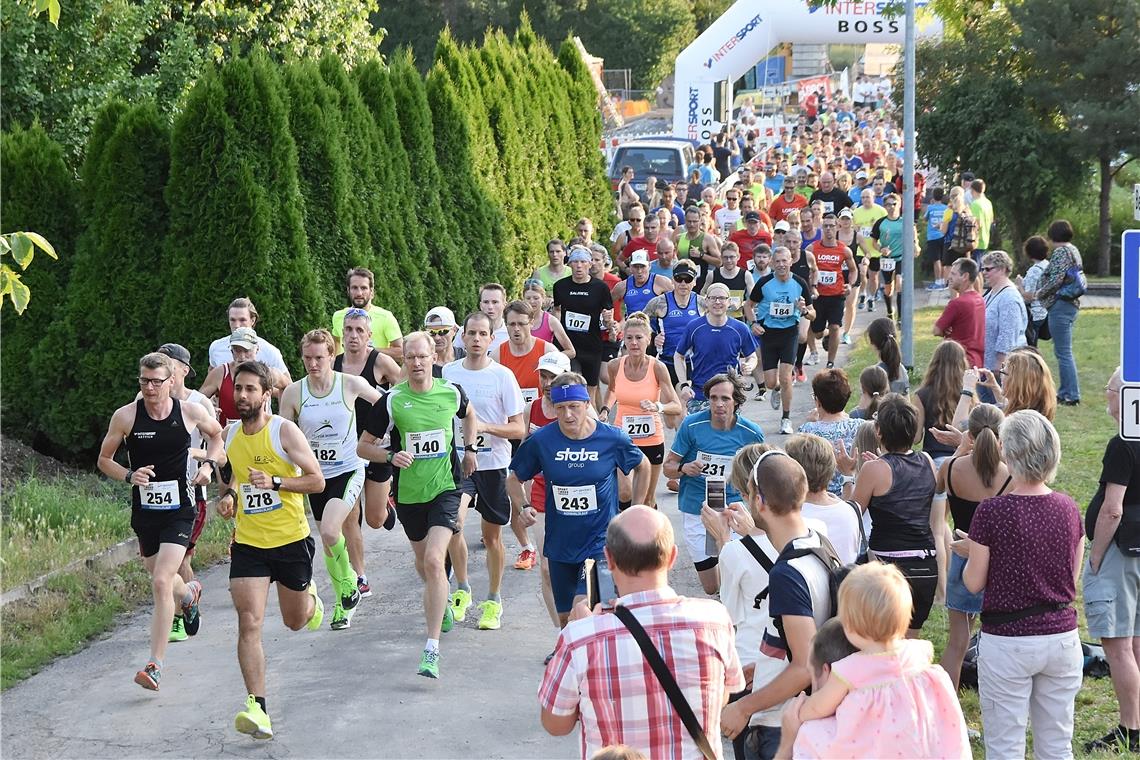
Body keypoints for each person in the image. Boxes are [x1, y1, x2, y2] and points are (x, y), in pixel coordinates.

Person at [538, 506, 744, 760]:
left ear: (609, 559)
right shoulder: (715, 620)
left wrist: (578, 630)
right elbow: (722, 695)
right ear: (672, 557)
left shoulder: (580, 637)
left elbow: (556, 724)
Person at [951, 410, 1084, 759]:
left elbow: (974, 582)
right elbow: (1070, 578)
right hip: (1060, 636)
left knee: (1005, 747)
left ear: (1007, 453)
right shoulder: (1068, 508)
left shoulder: (992, 512)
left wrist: (971, 553)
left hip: (1008, 640)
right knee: (1057, 745)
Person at [97, 352, 224, 690]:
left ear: (171, 382)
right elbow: (104, 460)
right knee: (162, 579)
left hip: (180, 509)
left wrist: (209, 466)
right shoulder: (126, 417)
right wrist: (128, 475)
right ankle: (189, 595)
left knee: (159, 582)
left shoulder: (190, 412)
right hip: (145, 512)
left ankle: (154, 665)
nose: (150, 387)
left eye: (156, 381)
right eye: (144, 381)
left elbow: (217, 435)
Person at [356, 331, 478, 678]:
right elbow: (363, 447)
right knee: (424, 564)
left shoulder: (450, 391)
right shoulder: (393, 401)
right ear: (404, 362)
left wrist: (469, 450)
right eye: (411, 358)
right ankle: (441, 604)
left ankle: (431, 649)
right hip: (409, 495)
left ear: (433, 357)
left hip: (446, 488)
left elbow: (471, 415)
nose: (418, 363)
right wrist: (390, 455)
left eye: (423, 357)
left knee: (434, 559)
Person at [215, 360, 326, 738]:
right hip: (249, 544)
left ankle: (311, 600)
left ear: (266, 395)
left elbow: (317, 481)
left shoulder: (284, 432)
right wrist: (228, 496)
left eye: (250, 389)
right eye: (238, 389)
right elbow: (231, 476)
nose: (241, 396)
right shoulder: (229, 435)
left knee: (295, 621)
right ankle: (257, 708)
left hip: (291, 540)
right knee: (249, 622)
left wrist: (277, 481)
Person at [779, 563, 969, 759]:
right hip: (920, 742)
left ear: (850, 626)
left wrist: (800, 711)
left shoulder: (850, 669)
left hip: (882, 745)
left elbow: (820, 706)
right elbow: (926, 656)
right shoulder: (917, 650)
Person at [508, 373, 650, 627]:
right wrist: (524, 506)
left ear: (587, 404)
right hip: (561, 543)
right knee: (566, 621)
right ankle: (576, 660)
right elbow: (513, 479)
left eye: (574, 406)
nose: (568, 415)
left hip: (601, 541)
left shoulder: (611, 438)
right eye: (560, 408)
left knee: (585, 609)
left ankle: (603, 660)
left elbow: (643, 466)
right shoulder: (542, 441)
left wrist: (636, 510)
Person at [719, 451, 836, 756]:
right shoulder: (819, 542)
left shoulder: (787, 573)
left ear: (758, 501)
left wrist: (743, 707)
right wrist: (762, 667)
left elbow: (803, 665)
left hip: (779, 724)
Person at [278, 329, 381, 630]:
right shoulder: (294, 393)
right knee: (328, 539)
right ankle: (342, 602)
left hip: (349, 470)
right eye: (307, 358)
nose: (313, 364)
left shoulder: (349, 384)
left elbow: (385, 406)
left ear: (330, 356)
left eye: (320, 357)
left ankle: (349, 580)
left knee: (331, 531)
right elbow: (283, 435)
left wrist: (375, 439)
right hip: (316, 477)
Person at [442, 312, 526, 632]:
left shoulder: (502, 376)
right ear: (462, 337)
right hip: (458, 464)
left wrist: (482, 426)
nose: (476, 339)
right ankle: (462, 589)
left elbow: (518, 428)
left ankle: (493, 599)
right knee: (454, 524)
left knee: (492, 537)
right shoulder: (448, 373)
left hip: (493, 465)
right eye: (471, 333)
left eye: (483, 334)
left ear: (492, 339)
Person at [842, 394, 938, 635]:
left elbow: (850, 515)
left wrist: (847, 474)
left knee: (882, 646)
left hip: (888, 566)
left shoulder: (874, 469)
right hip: (926, 567)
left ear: (878, 431)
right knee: (909, 647)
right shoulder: (927, 461)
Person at [663, 373, 765, 595]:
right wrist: (683, 469)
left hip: (735, 509)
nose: (718, 404)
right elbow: (668, 467)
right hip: (698, 510)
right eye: (713, 398)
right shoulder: (692, 425)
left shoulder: (751, 433)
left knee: (739, 578)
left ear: (736, 401)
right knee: (712, 587)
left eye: (725, 398)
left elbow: (762, 476)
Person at [1083, 368, 1140, 753]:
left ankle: (1130, 728)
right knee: (1135, 642)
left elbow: (1112, 509)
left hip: (1121, 552)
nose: (1105, 396)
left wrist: (1097, 555)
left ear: (1124, 397)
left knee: (1117, 645)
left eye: (1109, 389)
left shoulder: (1123, 444)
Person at [936, 404, 1010, 690]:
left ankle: (948, 707)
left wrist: (958, 451)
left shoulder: (952, 467)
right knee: (997, 642)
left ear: (969, 434)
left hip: (960, 559)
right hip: (996, 565)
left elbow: (935, 489)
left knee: (957, 643)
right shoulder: (1010, 477)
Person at [332, 309, 402, 593]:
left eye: (360, 330)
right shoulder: (332, 365)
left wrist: (391, 429)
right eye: (349, 330)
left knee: (374, 520)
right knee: (350, 517)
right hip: (345, 450)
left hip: (374, 446)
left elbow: (404, 390)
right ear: (342, 334)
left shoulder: (380, 361)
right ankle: (359, 576)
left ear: (370, 335)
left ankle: (386, 506)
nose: (353, 335)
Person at [154, 342, 216, 641]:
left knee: (180, 560)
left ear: (184, 371)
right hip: (154, 496)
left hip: (191, 494)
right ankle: (188, 596)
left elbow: (219, 445)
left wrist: (204, 465)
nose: (162, 367)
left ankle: (179, 616)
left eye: (169, 363)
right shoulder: (147, 399)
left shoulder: (199, 403)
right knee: (157, 565)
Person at [508, 351, 572, 620]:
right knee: (547, 569)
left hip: (576, 495)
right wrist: (521, 502)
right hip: (542, 496)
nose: (546, 383)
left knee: (579, 567)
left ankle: (584, 626)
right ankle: (561, 633)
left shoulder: (579, 408)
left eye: (553, 378)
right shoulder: (531, 409)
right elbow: (522, 458)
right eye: (543, 376)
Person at [601, 313, 682, 510]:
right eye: (629, 338)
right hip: (623, 438)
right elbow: (612, 390)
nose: (634, 343)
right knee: (624, 491)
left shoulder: (658, 367)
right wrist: (605, 410)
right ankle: (625, 533)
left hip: (651, 439)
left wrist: (658, 407)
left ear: (648, 339)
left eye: (639, 338)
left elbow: (676, 405)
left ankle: (652, 538)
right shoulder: (615, 366)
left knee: (647, 499)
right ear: (624, 339)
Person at [745, 246, 813, 434]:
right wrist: (753, 324)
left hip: (789, 333)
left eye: (785, 261)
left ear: (791, 261)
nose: (782, 265)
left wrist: (805, 310)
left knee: (785, 378)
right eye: (778, 261)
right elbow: (748, 306)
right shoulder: (765, 283)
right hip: (769, 334)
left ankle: (786, 418)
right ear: (773, 263)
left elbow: (812, 314)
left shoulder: (800, 283)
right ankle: (776, 389)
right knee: (770, 382)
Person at [1024, 219, 1083, 405]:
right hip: (1071, 304)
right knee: (1063, 351)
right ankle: (1065, 390)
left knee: (1063, 352)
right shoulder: (1073, 250)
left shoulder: (1060, 252)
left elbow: (1055, 280)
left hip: (1061, 306)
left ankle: (1071, 394)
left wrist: (1038, 294)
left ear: (1053, 235)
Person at [674, 282, 756, 413]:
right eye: (713, 298)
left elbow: (752, 356)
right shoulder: (694, 327)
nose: (717, 302)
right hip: (700, 395)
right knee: (700, 433)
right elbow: (678, 356)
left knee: (727, 433)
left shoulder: (740, 328)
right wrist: (684, 384)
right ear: (706, 301)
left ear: (729, 302)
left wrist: (750, 365)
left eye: (722, 298)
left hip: (729, 395)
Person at [786, 434, 862, 565]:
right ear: (832, 466)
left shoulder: (791, 518)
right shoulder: (852, 509)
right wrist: (848, 476)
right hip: (847, 582)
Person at [553, 247, 615, 406]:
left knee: (590, 394)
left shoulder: (600, 288)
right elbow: (557, 312)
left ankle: (593, 424)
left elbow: (608, 317)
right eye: (575, 262)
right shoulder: (560, 286)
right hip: (569, 346)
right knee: (575, 386)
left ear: (589, 264)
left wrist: (608, 321)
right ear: (570, 265)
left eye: (582, 262)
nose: (579, 266)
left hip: (592, 346)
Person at [198, 328, 290, 425]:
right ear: (231, 351)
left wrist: (283, 418)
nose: (242, 356)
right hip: (227, 437)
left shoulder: (268, 373)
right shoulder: (220, 373)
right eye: (237, 350)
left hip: (260, 436)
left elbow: (288, 388)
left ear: (257, 349)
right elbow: (196, 401)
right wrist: (209, 409)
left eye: (246, 351)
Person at [797, 370, 862, 499]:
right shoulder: (861, 427)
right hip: (856, 495)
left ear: (818, 401)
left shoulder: (806, 431)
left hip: (818, 499)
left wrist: (811, 423)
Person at [643, 260, 707, 392]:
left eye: (688, 279)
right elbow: (639, 322)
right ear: (673, 280)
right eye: (679, 279)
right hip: (666, 361)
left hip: (692, 363)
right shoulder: (659, 302)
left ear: (694, 281)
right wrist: (652, 336)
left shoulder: (702, 303)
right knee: (668, 408)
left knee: (684, 401)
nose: (683, 284)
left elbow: (718, 322)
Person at [807, 214, 857, 369]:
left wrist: (850, 285)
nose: (828, 229)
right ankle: (820, 341)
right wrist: (809, 286)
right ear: (822, 228)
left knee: (835, 327)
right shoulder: (812, 248)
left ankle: (830, 362)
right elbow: (804, 269)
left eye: (831, 226)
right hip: (818, 296)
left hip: (836, 295)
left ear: (837, 227)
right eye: (825, 226)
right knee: (817, 332)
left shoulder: (844, 250)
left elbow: (854, 270)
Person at [979, 250, 1028, 403]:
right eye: (983, 269)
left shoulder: (1009, 298)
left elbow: (1007, 335)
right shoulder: (992, 293)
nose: (984, 273)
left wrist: (998, 368)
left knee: (998, 411)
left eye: (988, 269)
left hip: (1001, 369)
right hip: (988, 366)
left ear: (1002, 269)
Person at [330, 267, 404, 359]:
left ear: (371, 292)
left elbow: (401, 351)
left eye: (364, 288)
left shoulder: (385, 317)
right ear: (348, 290)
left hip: (374, 371)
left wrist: (369, 351)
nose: (359, 293)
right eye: (354, 288)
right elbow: (336, 342)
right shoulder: (338, 316)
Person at [206, 297, 291, 376]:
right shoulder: (216, 347)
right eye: (232, 320)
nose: (237, 325)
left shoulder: (270, 351)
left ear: (253, 320)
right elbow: (211, 373)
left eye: (242, 320)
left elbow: (287, 385)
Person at [868, 193, 918, 321]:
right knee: (888, 288)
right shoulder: (881, 222)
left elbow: (913, 234)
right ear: (885, 206)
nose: (891, 207)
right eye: (888, 205)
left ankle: (901, 318)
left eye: (894, 204)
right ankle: (890, 310)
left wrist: (916, 246)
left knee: (900, 283)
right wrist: (881, 249)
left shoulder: (905, 221)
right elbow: (873, 241)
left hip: (901, 257)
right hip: (887, 258)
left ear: (899, 205)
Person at [932, 257, 985, 368]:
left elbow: (936, 330)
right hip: (977, 361)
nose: (949, 277)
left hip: (958, 362)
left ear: (965, 276)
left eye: (953, 274)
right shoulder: (980, 300)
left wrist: (944, 331)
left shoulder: (957, 303)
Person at [1017, 235, 1051, 347]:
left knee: (1030, 346)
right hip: (1044, 311)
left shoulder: (1034, 271)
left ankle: (1035, 363)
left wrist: (1020, 284)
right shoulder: (1048, 265)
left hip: (1034, 314)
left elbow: (1029, 296)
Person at [865, 318, 908, 395]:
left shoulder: (874, 374)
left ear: (872, 343)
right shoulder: (902, 371)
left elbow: (867, 405)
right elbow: (907, 401)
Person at [922, 187, 949, 289]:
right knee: (943, 258)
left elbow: (925, 219)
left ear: (933, 196)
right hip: (943, 235)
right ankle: (943, 280)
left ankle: (938, 281)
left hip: (932, 236)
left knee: (936, 259)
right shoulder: (946, 208)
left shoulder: (930, 208)